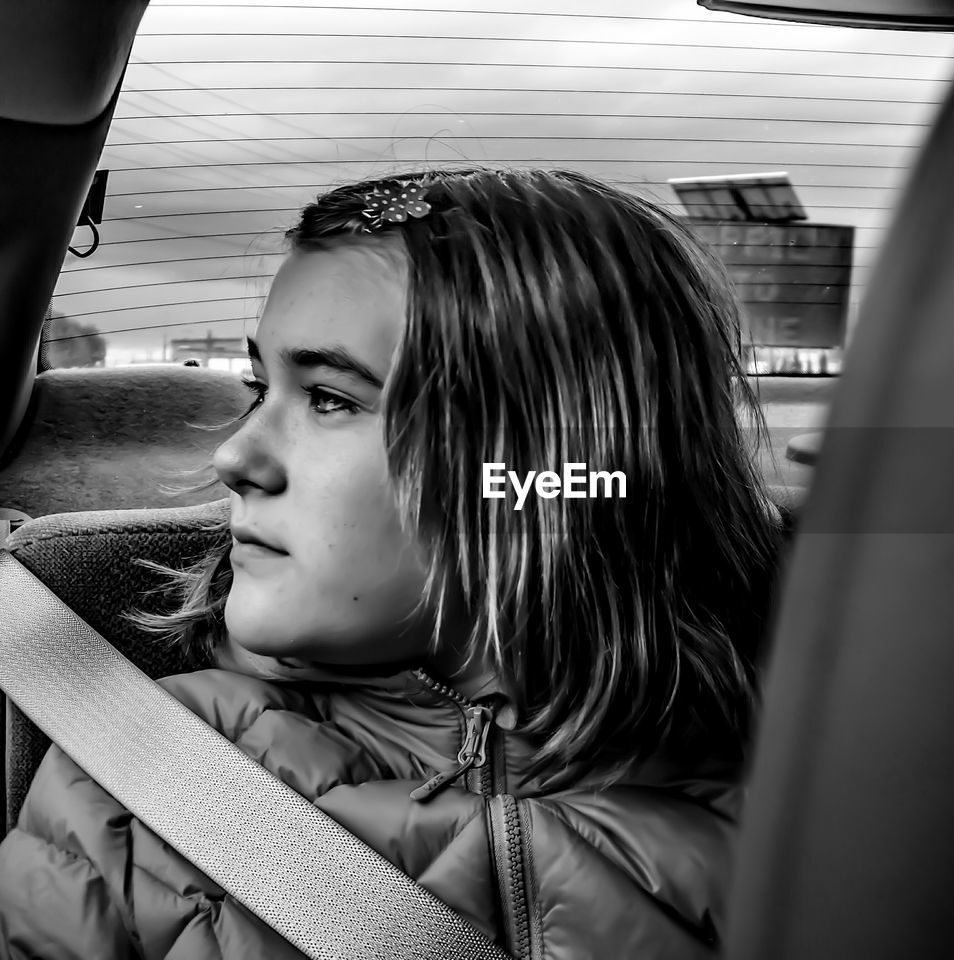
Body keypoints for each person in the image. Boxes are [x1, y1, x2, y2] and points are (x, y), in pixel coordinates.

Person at [0, 167, 782, 958]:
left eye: (332, 398)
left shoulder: (832, 808)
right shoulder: (140, 782)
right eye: (257, 387)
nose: (236, 455)